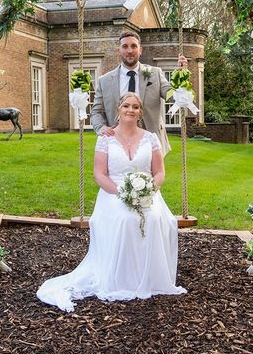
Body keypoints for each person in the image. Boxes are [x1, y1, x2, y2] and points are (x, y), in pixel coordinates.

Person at [37, 93, 186, 312]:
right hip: (113, 192)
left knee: (155, 218)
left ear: (140, 113)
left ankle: (151, 278)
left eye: (135, 107)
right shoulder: (105, 138)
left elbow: (159, 172)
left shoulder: (151, 138)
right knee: (125, 218)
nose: (130, 110)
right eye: (126, 105)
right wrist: (122, 193)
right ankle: (123, 279)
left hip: (146, 192)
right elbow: (100, 175)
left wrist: (149, 190)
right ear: (118, 109)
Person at [91, 32, 187, 157]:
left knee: (152, 177)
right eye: (125, 46)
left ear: (140, 49)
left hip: (152, 142)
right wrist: (101, 128)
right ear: (119, 50)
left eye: (133, 46)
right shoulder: (104, 80)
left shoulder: (155, 74)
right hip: (117, 143)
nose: (129, 51)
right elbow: (96, 111)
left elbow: (172, 96)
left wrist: (181, 77)